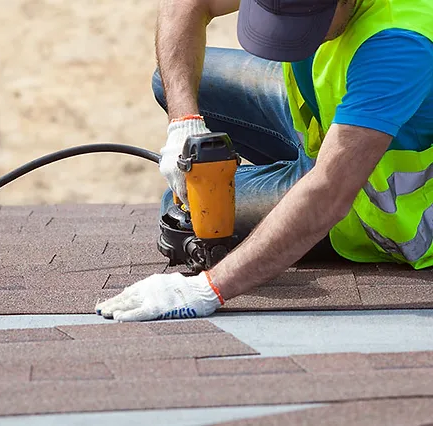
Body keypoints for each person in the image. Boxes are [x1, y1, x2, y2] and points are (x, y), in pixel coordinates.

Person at [96, 0, 433, 321]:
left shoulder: (398, 42)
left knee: (184, 210)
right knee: (171, 80)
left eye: (303, 25)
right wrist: (183, 121)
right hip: (329, 122)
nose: (285, 35)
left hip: (376, 205)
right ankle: (286, 179)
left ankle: (290, 193)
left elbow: (330, 191)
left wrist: (207, 289)